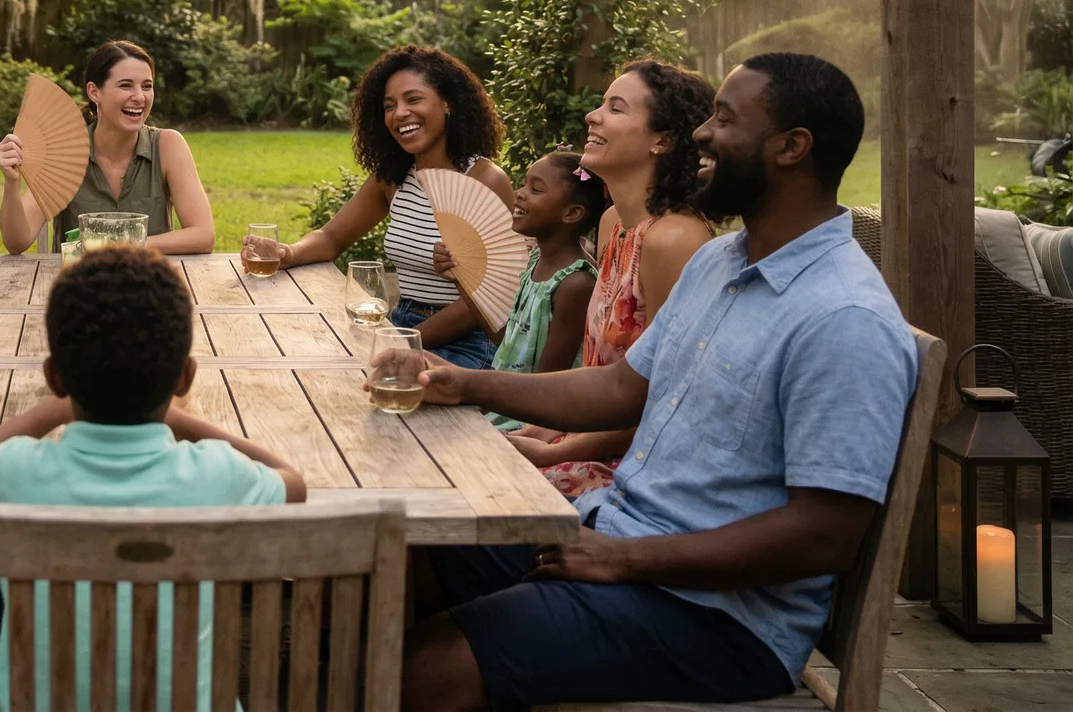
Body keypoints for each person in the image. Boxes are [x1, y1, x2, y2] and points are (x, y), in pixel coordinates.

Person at [391, 52, 919, 712]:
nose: (701, 132)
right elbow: (619, 388)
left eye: (725, 120)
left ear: (792, 148)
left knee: (423, 671)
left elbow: (825, 535)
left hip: (714, 619)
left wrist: (625, 561)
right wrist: (463, 383)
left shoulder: (843, 318)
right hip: (615, 530)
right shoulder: (724, 261)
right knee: (403, 559)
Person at [0, 246, 303, 710]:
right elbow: (291, 480)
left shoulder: (15, 473)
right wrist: (176, 415)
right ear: (185, 378)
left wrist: (54, 406)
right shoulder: (218, 475)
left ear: (54, 378)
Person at [510, 59, 715, 494]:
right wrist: (542, 430)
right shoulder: (613, 225)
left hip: (642, 463)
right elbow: (598, 372)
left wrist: (552, 453)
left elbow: (665, 400)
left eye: (616, 108)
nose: (592, 115)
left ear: (662, 140)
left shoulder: (674, 240)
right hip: (589, 438)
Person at [273, 45, 515, 368]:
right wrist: (286, 253)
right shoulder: (394, 178)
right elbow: (331, 238)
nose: (399, 113)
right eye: (389, 105)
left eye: (413, 99)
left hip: (467, 343)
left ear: (448, 104)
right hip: (401, 321)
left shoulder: (484, 180)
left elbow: (487, 301)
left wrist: (403, 340)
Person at [0, 40, 216, 255]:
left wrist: (129, 245)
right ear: (94, 92)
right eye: (126, 85)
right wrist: (12, 181)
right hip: (78, 283)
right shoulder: (63, 153)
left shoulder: (168, 145)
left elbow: (203, 235)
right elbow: (16, 242)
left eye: (147, 86)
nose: (140, 97)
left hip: (149, 284)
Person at [435, 148, 601, 432]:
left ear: (571, 213)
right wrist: (460, 278)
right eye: (524, 183)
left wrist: (473, 393)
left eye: (535, 189)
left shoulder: (576, 283)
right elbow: (509, 342)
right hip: (508, 403)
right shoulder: (536, 260)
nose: (519, 193)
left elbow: (550, 384)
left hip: (531, 420)